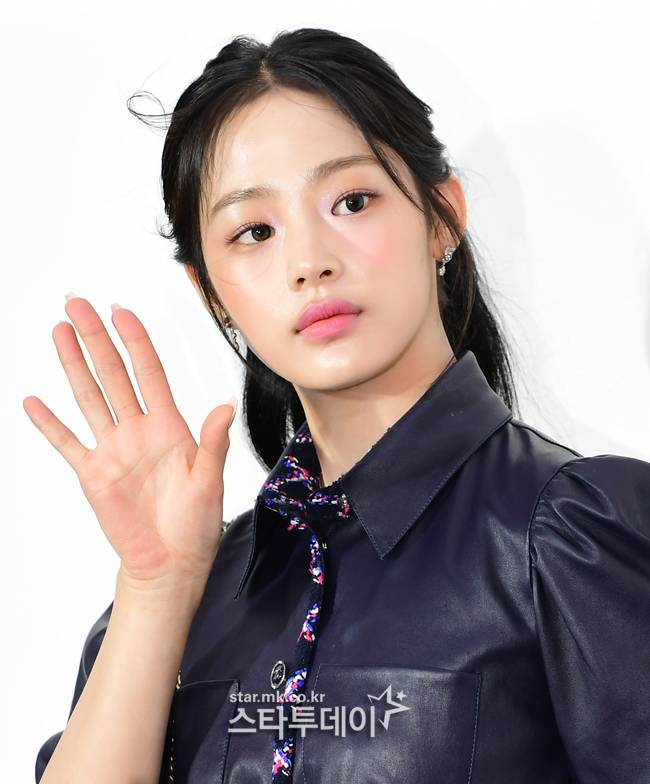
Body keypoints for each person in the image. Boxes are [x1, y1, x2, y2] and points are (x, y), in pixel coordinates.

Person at [26, 27, 650, 784]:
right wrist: (155, 590)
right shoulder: (186, 590)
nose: (309, 261)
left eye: (352, 201)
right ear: (211, 292)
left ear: (442, 216)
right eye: (254, 231)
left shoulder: (571, 534)